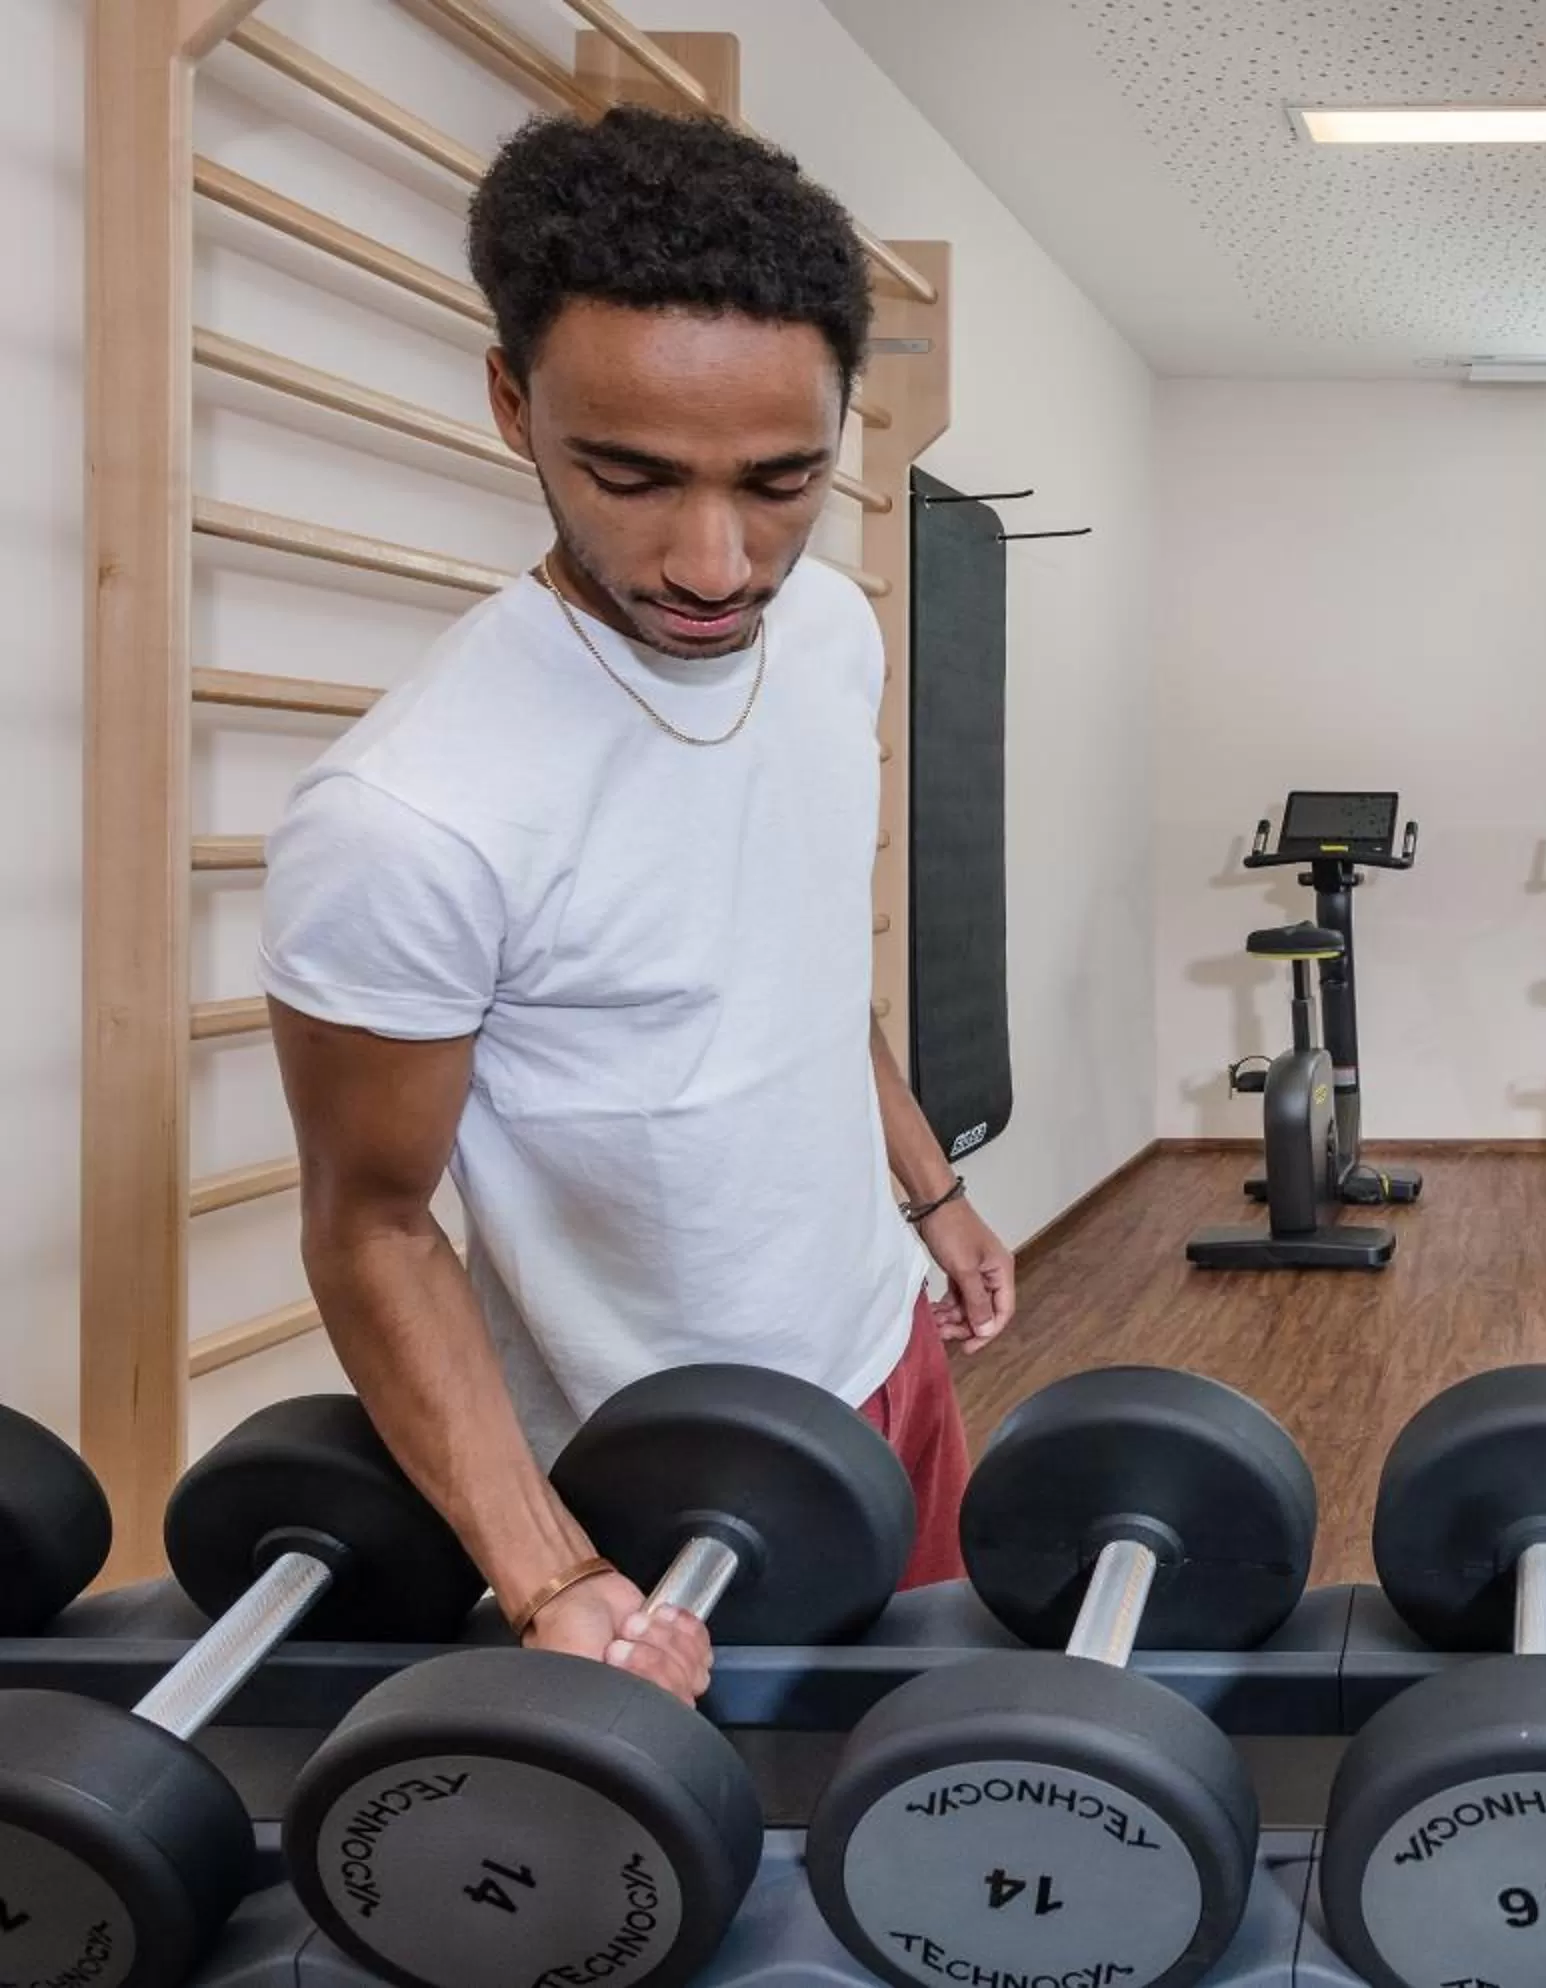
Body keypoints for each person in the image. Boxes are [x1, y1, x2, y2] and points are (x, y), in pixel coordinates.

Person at [259, 109, 1014, 1707]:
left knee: (944, 1799)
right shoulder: (412, 818)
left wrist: (928, 1190)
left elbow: (798, 944)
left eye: (782, 481)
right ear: (510, 404)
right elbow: (373, 1227)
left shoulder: (830, 633)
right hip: (656, 1463)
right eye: (633, 475)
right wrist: (551, 1574)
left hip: (885, 1350)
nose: (716, 563)